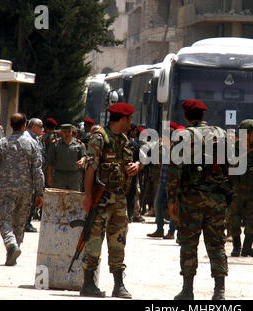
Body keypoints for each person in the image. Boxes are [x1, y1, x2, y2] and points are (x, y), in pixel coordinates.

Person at [168, 99, 229, 300]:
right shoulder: (220, 133)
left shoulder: (183, 136)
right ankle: (219, 291)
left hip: (191, 199)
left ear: (186, 116)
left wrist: (172, 200)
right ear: (203, 116)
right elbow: (230, 165)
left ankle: (187, 290)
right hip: (217, 199)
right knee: (216, 243)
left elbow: (174, 172)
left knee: (188, 244)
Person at [80, 102, 141, 299]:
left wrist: (136, 166)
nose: (131, 123)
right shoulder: (100, 138)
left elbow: (127, 164)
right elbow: (90, 167)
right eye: (129, 120)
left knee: (118, 241)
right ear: (123, 119)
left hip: (120, 199)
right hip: (101, 198)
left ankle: (118, 285)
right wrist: (88, 197)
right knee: (94, 240)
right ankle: (88, 283)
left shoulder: (124, 140)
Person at [0, 113, 44, 266]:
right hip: (26, 190)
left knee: (5, 220)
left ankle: (11, 245)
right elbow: (37, 170)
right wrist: (40, 193)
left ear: (11, 126)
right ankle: (14, 248)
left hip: (7, 189)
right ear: (24, 125)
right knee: (20, 223)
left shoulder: (2, 143)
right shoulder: (32, 144)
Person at [227, 119, 253, 257]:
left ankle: (247, 247)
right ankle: (236, 246)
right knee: (234, 219)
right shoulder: (233, 150)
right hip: (236, 192)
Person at [147, 124, 179, 239]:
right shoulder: (165, 148)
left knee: (173, 206)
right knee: (158, 204)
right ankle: (159, 229)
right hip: (163, 180)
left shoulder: (176, 149)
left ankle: (171, 231)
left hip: (172, 182)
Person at [47, 124, 86, 191]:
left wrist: (82, 160)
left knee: (74, 197)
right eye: (65, 132)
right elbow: (50, 161)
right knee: (59, 197)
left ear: (71, 132)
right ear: (61, 132)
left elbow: (84, 156)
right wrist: (49, 176)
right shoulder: (55, 144)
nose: (67, 134)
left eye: (69, 131)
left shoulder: (79, 144)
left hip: (74, 176)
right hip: (59, 176)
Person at [24, 118, 45, 233]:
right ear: (33, 126)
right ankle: (25, 223)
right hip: (28, 173)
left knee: (31, 199)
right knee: (28, 200)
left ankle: (27, 222)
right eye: (40, 126)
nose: (42, 129)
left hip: (34, 173)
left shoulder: (36, 138)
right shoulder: (27, 137)